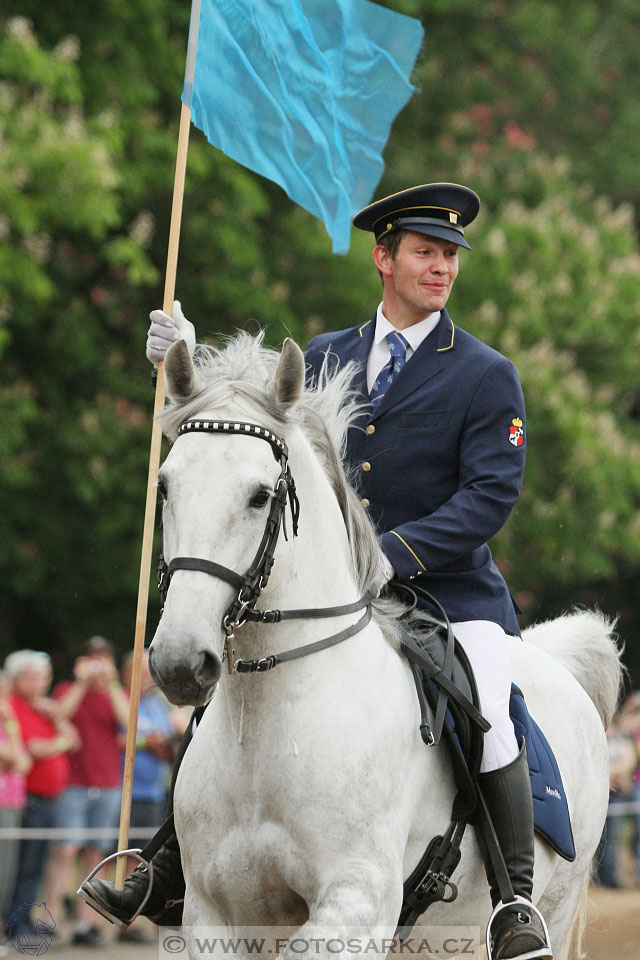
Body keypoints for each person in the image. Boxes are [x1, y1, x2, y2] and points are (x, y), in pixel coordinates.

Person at [81, 183, 550, 959]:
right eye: (426, 252)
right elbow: (234, 407)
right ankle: (166, 866)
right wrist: (181, 353)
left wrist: (387, 556)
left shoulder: (483, 372)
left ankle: (513, 900)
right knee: (229, 696)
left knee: (491, 705)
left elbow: (490, 495)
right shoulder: (325, 355)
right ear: (384, 257)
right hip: (322, 599)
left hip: (444, 592)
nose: (442, 268)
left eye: (450, 256)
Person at [45, 636, 129, 947]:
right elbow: (58, 715)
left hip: (106, 784)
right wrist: (81, 684)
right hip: (73, 784)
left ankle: (86, 923)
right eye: (91, 658)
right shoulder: (68, 689)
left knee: (97, 855)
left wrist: (111, 684)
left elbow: (128, 721)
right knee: (65, 851)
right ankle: (48, 919)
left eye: (102, 658)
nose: (96, 665)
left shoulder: (114, 694)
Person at [5, 650, 78, 935]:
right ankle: (15, 921)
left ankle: (23, 918)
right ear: (16, 678)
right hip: (27, 799)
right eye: (30, 677)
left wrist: (57, 720)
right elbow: (32, 748)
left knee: (35, 865)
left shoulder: (43, 708)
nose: (37, 683)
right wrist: (58, 743)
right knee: (20, 865)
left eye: (41, 677)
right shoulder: (11, 707)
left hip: (48, 798)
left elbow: (74, 740)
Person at [116, 649, 176, 943]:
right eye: (143, 672)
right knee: (118, 854)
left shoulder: (155, 704)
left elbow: (167, 734)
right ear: (128, 673)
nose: (150, 678)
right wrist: (145, 741)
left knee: (142, 856)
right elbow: (118, 736)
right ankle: (114, 916)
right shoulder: (121, 700)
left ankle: (133, 918)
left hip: (153, 791)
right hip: (125, 789)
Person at [0, 671, 32, 953]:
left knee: (6, 873)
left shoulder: (7, 722)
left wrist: (9, 722)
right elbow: (17, 758)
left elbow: (21, 763)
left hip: (10, 803)